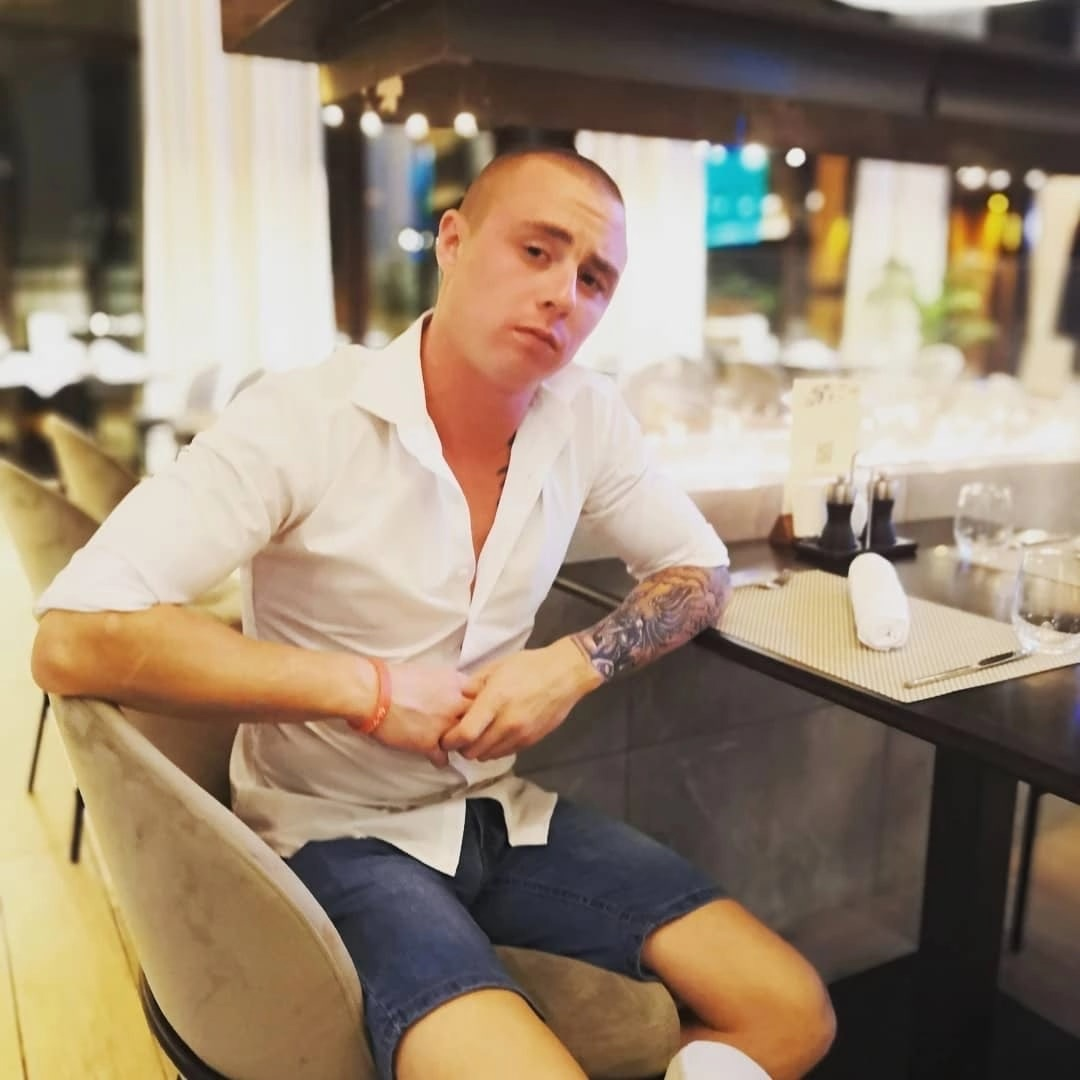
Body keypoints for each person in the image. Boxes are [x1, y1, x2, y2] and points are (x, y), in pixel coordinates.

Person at [31, 147, 834, 1080]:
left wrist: (574, 664)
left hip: (496, 814)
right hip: (331, 833)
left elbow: (700, 571)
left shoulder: (587, 417)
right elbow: (71, 637)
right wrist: (369, 691)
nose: (562, 293)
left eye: (593, 278)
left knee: (792, 1014)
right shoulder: (306, 417)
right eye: (536, 250)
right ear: (452, 242)